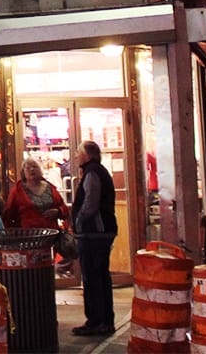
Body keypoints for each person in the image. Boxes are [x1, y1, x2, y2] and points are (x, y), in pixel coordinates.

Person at [70, 141, 118, 337]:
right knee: (101, 277)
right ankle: (105, 320)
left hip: (94, 233)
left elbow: (90, 202)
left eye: (78, 153)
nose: (75, 156)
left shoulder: (92, 173)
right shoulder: (98, 171)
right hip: (101, 232)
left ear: (87, 155)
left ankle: (96, 320)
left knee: (92, 278)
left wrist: (79, 220)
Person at [4, 158, 68, 229]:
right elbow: (8, 215)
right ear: (23, 173)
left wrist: (58, 212)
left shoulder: (50, 188)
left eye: (35, 167)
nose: (32, 169)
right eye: (28, 168)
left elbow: (64, 208)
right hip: (28, 235)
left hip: (52, 234)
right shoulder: (17, 191)